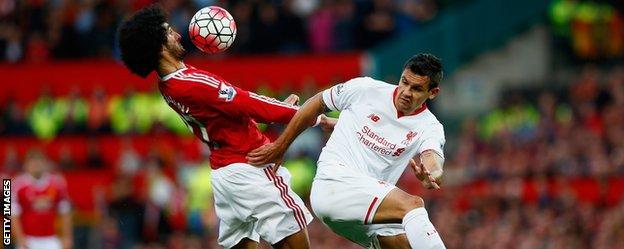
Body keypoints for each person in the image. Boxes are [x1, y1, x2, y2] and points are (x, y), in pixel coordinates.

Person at [117, 5, 333, 249]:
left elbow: (228, 115)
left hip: (224, 174)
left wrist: (277, 109)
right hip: (249, 166)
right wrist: (319, 118)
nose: (178, 35)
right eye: (168, 32)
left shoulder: (167, 85)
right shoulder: (191, 83)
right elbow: (248, 103)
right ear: (158, 46)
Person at [248, 53, 447, 249]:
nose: (406, 91)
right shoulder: (366, 89)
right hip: (334, 183)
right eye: (404, 82)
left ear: (432, 92)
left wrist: (432, 174)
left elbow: (432, 158)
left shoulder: (429, 126)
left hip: (365, 206)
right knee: (413, 205)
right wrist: (280, 146)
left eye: (416, 88)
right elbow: (318, 102)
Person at [12, 150, 73, 249]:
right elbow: (12, 214)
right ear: (26, 165)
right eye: (32, 162)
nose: (36, 165)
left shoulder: (57, 183)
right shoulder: (17, 184)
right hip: (28, 239)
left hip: (51, 239)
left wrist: (67, 237)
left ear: (45, 163)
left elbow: (65, 213)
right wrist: (19, 238)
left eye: (39, 161)